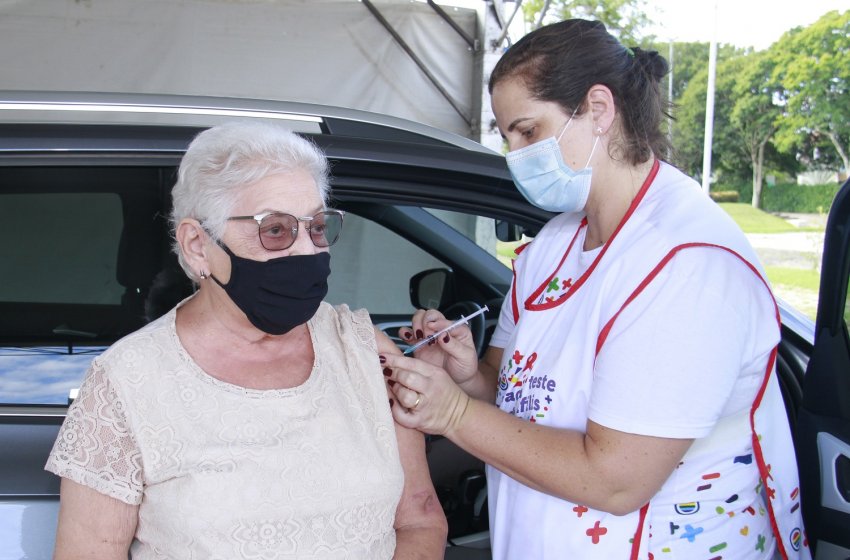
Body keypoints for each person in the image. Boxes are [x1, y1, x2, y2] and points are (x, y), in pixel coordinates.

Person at [381, 18, 810, 559]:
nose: (515, 155)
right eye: (508, 135)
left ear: (599, 110)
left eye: (528, 131)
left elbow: (615, 480)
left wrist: (454, 415)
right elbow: (517, 397)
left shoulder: (687, 265)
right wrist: (466, 376)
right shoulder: (556, 246)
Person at [45, 121, 447, 559]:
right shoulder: (127, 381)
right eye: (275, 230)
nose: (308, 252)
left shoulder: (361, 349)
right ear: (198, 245)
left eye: (315, 226)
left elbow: (419, 519)